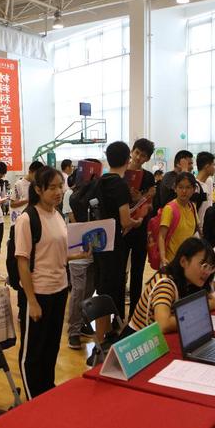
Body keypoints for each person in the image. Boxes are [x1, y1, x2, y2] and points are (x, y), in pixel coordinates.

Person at [16, 166, 90, 399]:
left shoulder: (57, 215)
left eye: (60, 186)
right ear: (38, 189)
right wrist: (31, 301)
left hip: (59, 290)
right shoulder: (27, 219)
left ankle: (46, 391)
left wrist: (79, 254)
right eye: (52, 188)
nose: (58, 192)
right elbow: (22, 262)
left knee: (51, 347)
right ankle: (32, 400)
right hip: (38, 293)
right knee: (33, 352)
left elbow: (56, 253)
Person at [94, 141, 142, 328]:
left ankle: (103, 332)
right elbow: (125, 221)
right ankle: (111, 330)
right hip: (114, 242)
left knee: (103, 287)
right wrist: (136, 222)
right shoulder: (120, 184)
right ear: (127, 159)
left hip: (99, 241)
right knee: (113, 287)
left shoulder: (100, 181)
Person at [128, 237, 215, 334]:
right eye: (203, 265)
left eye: (211, 267)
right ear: (183, 261)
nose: (207, 272)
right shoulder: (165, 283)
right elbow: (163, 325)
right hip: (138, 339)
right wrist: (196, 314)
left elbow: (213, 301)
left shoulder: (193, 281)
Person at [123, 138, 156, 320]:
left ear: (147, 158)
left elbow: (151, 206)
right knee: (120, 272)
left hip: (140, 229)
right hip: (123, 229)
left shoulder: (149, 177)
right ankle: (117, 314)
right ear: (132, 151)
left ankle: (134, 314)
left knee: (137, 272)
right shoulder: (120, 173)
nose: (138, 157)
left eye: (143, 155)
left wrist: (140, 199)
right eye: (137, 153)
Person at [63, 170, 95, 350]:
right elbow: (74, 221)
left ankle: (83, 322)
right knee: (78, 291)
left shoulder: (95, 196)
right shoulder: (70, 195)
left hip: (93, 252)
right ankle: (73, 331)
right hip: (76, 251)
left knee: (89, 290)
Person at [158, 172, 198, 267]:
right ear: (175, 188)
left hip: (188, 261)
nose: (184, 191)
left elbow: (195, 231)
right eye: (180, 187)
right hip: (172, 262)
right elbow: (161, 236)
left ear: (194, 189)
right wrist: (163, 258)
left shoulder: (193, 206)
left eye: (188, 187)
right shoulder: (169, 209)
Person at [194, 151, 215, 233]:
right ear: (207, 166)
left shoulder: (207, 183)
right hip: (198, 231)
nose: (214, 168)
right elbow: (193, 212)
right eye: (213, 164)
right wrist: (199, 231)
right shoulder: (195, 187)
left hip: (207, 229)